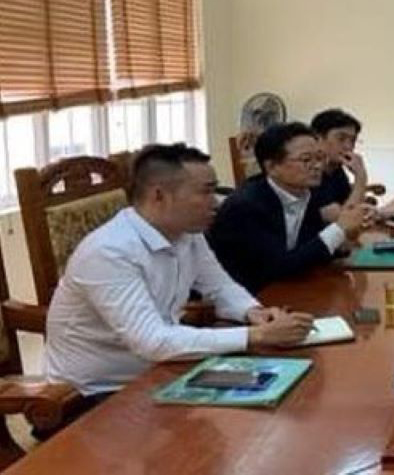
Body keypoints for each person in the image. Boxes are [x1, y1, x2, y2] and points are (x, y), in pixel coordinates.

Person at [44, 143, 315, 402]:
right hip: (98, 394)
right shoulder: (109, 252)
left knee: (286, 389)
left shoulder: (187, 233)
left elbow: (220, 286)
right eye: (206, 192)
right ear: (159, 195)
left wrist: (253, 313)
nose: (216, 202)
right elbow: (152, 341)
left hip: (165, 370)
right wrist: (256, 336)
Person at [207, 122, 372, 292]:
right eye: (306, 160)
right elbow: (279, 267)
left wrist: (342, 241)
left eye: (319, 158)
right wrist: (338, 230)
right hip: (250, 295)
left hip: (290, 288)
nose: (317, 166)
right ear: (271, 167)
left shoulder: (308, 193)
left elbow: (308, 250)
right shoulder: (246, 205)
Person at [310, 108, 370, 222]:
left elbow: (351, 207)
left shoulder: (336, 170)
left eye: (353, 140)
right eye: (341, 139)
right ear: (318, 139)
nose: (349, 146)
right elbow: (343, 221)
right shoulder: (310, 172)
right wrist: (361, 178)